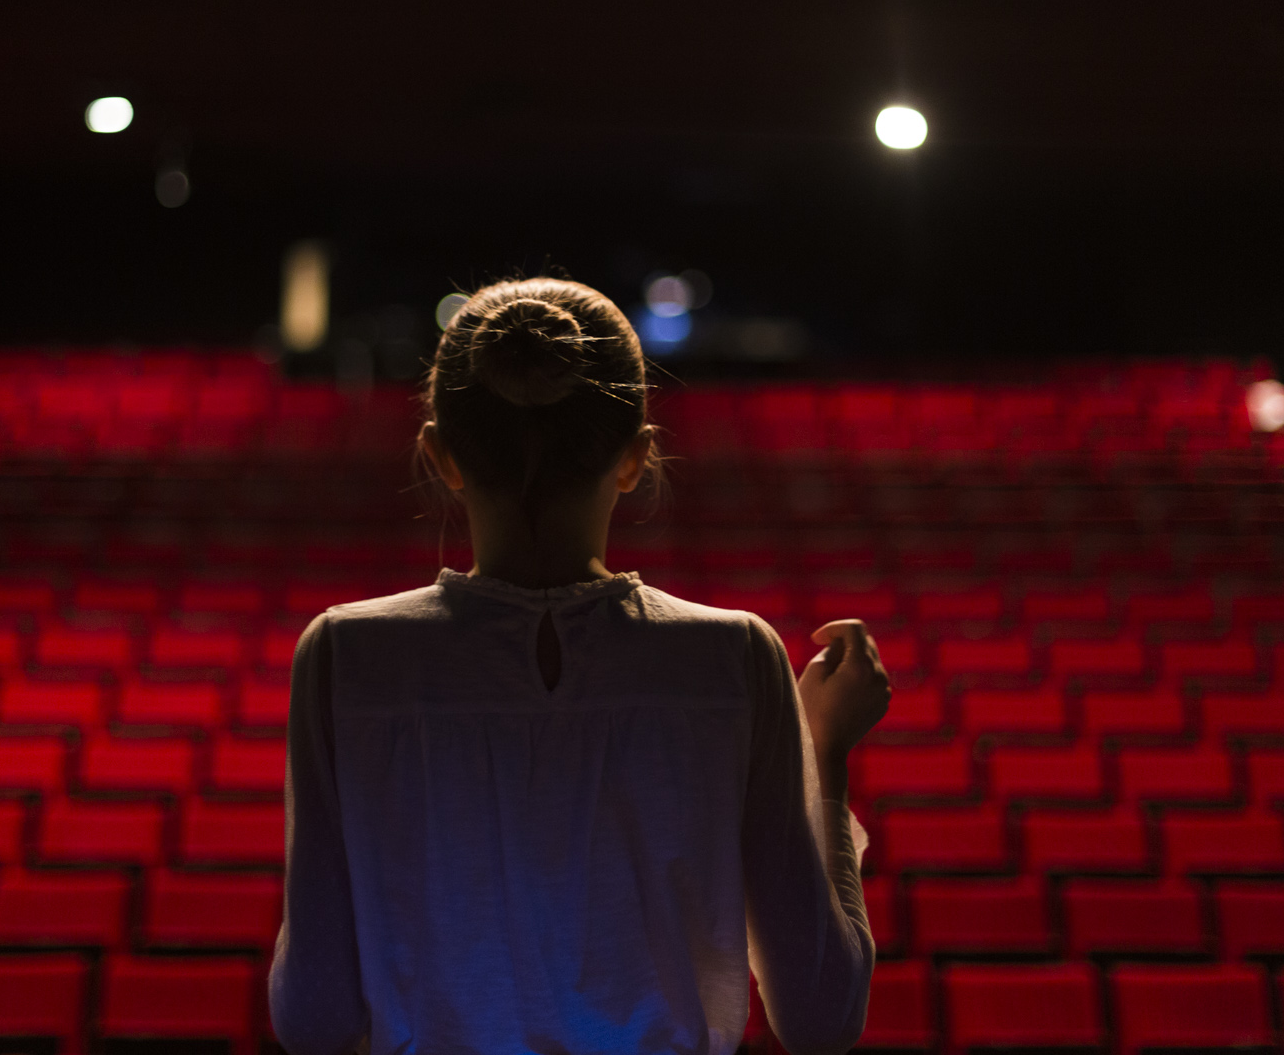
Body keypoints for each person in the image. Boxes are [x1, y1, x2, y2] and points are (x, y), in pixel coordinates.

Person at [269, 277, 893, 1055]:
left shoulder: (343, 656)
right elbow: (821, 1017)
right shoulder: (733, 657)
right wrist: (824, 756)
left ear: (442, 456)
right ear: (635, 458)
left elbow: (313, 1019)